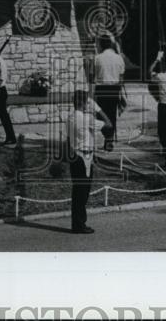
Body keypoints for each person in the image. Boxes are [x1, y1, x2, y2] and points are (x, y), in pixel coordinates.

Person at [67, 89, 111, 234]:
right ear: (81, 102)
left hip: (75, 155)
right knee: (82, 193)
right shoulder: (86, 119)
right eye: (86, 102)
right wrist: (98, 108)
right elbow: (108, 124)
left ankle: (77, 223)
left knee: (78, 192)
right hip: (83, 157)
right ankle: (79, 225)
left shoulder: (71, 116)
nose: (88, 105)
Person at [92, 35, 126, 152]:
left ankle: (108, 138)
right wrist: (120, 92)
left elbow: (92, 76)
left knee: (102, 114)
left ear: (101, 45)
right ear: (111, 45)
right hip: (114, 88)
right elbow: (121, 78)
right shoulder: (119, 58)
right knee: (112, 114)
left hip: (102, 88)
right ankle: (109, 138)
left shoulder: (97, 58)